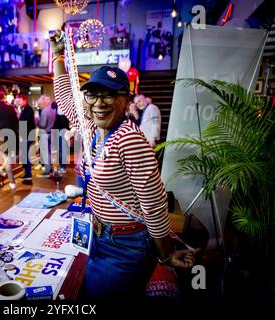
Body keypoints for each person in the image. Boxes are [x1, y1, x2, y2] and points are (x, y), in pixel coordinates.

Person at [49, 30, 196, 300]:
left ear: (126, 100)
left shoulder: (129, 139)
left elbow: (153, 206)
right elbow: (66, 99)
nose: (99, 103)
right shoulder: (93, 127)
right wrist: (58, 54)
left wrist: (164, 255)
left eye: (109, 95)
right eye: (92, 95)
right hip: (100, 234)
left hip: (127, 245)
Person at [0, 85, 19, 190]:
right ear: (4, 97)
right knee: (12, 157)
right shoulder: (11, 108)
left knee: (8, 158)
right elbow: (16, 122)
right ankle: (12, 182)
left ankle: (2, 169)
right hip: (11, 134)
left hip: (0, 136)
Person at [16, 94, 35, 183]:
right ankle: (27, 174)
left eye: (19, 100)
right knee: (24, 155)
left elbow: (24, 123)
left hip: (27, 135)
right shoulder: (26, 109)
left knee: (24, 155)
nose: (17, 102)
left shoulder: (27, 110)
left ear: (24, 100)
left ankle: (28, 175)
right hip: (27, 135)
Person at [36, 95, 56, 177]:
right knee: (49, 153)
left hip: (45, 133)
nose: (40, 106)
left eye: (40, 104)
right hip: (51, 133)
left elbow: (43, 124)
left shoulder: (45, 111)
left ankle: (47, 171)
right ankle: (50, 169)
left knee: (45, 153)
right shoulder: (52, 110)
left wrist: (37, 121)